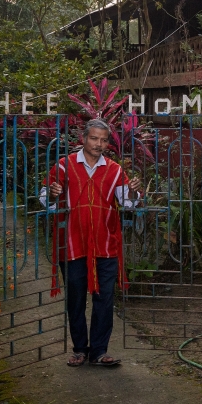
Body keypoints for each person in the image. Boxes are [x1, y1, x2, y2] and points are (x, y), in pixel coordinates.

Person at [44, 118, 142, 368]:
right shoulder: (64, 166)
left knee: (104, 299)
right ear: (84, 138)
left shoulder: (115, 170)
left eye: (104, 140)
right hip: (72, 243)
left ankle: (99, 351)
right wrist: (53, 195)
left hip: (106, 244)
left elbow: (128, 203)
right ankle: (80, 349)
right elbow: (46, 201)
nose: (98, 144)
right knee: (75, 299)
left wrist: (132, 192)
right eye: (94, 138)